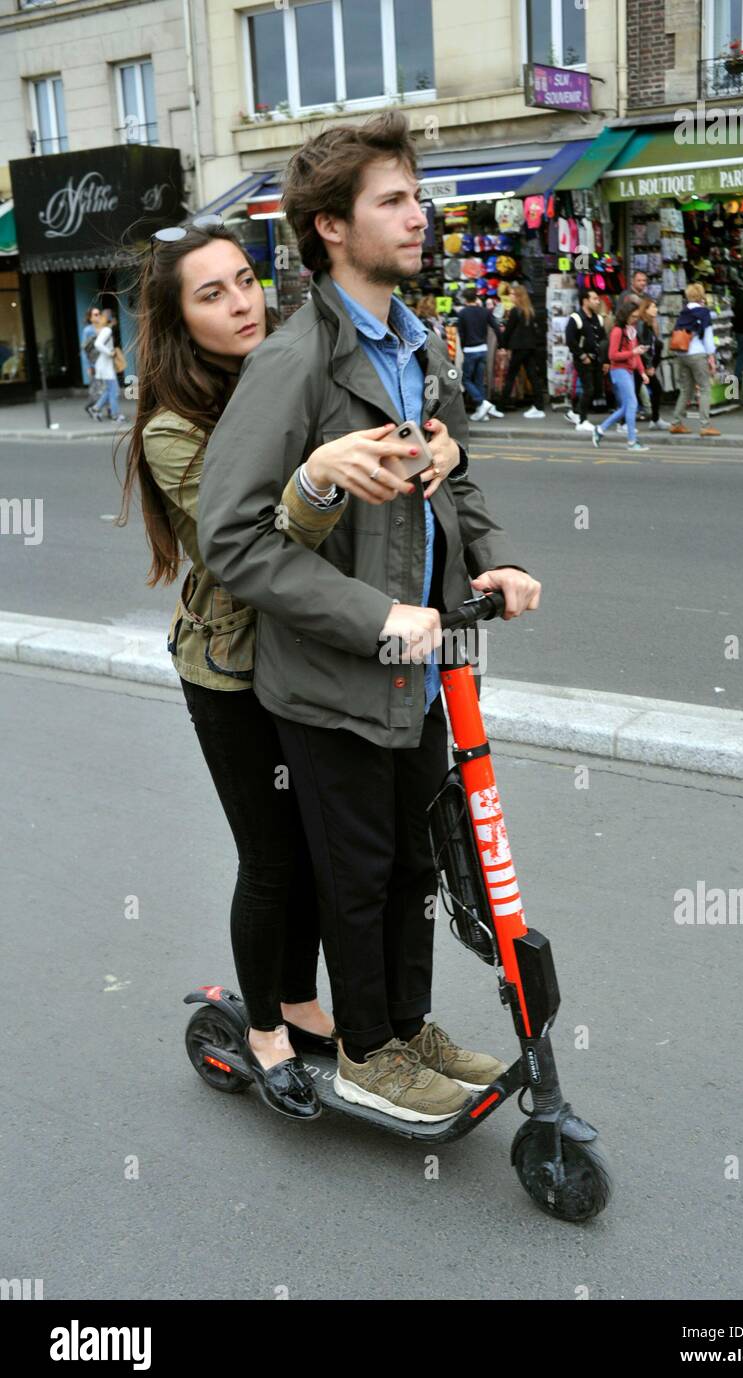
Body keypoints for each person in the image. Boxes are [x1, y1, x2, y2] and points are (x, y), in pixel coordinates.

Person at [197, 112, 542, 1122]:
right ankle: (361, 1049)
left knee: (412, 866)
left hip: (418, 669)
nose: (419, 215)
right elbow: (235, 538)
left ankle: (403, 1025)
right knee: (352, 876)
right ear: (330, 228)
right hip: (334, 675)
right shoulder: (294, 364)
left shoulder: (415, 346)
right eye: (392, 199)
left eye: (416, 195)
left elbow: (449, 472)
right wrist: (373, 615)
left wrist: (495, 555)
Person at [117, 217, 463, 1117]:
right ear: (175, 317)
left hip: (314, 653)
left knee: (338, 853)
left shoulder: (297, 367)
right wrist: (314, 474)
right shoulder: (170, 428)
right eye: (211, 293)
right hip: (233, 668)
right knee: (273, 859)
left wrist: (438, 449)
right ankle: (267, 1029)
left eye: (243, 279)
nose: (240, 303)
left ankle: (327, 1010)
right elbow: (253, 550)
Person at [590, 300, 650, 452]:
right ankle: (631, 441)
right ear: (626, 315)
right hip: (619, 371)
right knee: (632, 404)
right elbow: (613, 355)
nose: (635, 319)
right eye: (633, 316)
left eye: (637, 316)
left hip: (627, 371)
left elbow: (635, 354)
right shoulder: (618, 331)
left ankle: (600, 429)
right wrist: (633, 353)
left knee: (626, 407)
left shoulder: (631, 330)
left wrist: (642, 372)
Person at [668, 282, 719, 437]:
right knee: (704, 388)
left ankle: (676, 423)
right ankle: (705, 425)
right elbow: (708, 338)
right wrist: (711, 357)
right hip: (697, 354)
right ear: (701, 295)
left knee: (685, 389)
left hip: (682, 354)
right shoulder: (703, 312)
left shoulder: (684, 312)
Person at [456, 285, 503, 421]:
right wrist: (501, 344)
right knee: (478, 380)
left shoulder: (463, 313)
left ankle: (482, 402)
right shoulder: (485, 312)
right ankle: (482, 411)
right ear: (476, 297)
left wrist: (464, 347)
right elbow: (496, 327)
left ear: (465, 299)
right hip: (483, 349)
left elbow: (462, 333)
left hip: (470, 349)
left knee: (465, 379)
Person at [501, 283, 546, 418]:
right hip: (529, 347)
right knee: (532, 376)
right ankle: (539, 405)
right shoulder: (529, 311)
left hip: (519, 347)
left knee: (511, 375)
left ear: (519, 296)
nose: (510, 296)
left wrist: (502, 345)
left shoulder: (516, 311)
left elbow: (508, 330)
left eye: (513, 294)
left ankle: (501, 405)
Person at [564, 287, 605, 433]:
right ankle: (582, 421)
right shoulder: (576, 318)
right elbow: (570, 340)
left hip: (595, 360)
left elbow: (602, 339)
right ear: (585, 301)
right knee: (589, 388)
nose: (597, 301)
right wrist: (582, 355)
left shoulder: (598, 319)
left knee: (595, 389)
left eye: (597, 299)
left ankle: (574, 412)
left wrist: (604, 359)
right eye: (594, 299)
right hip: (582, 360)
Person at [88, 310, 125, 423]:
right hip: (105, 367)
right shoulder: (107, 330)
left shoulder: (105, 329)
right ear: (112, 319)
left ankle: (95, 409)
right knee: (113, 390)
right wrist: (110, 352)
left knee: (110, 390)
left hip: (105, 366)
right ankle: (115, 415)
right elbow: (97, 344)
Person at [635, 296, 667, 430]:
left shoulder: (649, 324)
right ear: (646, 309)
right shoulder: (642, 325)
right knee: (634, 392)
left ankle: (655, 419)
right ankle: (623, 422)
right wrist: (648, 366)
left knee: (654, 389)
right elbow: (644, 347)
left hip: (645, 366)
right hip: (640, 366)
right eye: (653, 307)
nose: (656, 309)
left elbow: (653, 345)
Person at [80, 306, 102, 413]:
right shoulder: (88, 330)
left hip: (103, 363)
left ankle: (96, 407)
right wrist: (88, 366)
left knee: (103, 387)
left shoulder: (103, 327)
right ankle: (93, 408)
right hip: (93, 363)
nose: (98, 316)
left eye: (99, 314)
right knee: (95, 387)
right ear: (90, 317)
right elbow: (84, 349)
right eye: (95, 314)